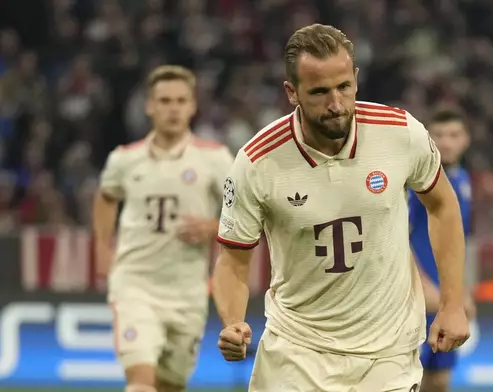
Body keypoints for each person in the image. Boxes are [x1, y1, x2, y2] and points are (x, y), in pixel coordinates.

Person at [213, 24, 470, 392]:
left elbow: (443, 205)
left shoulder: (400, 133)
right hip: (296, 350)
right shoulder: (257, 161)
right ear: (291, 92)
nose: (336, 104)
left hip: (388, 352)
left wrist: (452, 303)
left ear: (356, 79)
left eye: (344, 87)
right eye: (319, 92)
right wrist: (231, 320)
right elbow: (234, 257)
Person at [93, 65, 234, 392]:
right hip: (135, 285)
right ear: (149, 106)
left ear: (193, 106)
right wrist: (102, 246)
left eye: (181, 100)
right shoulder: (125, 159)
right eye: (165, 100)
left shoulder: (216, 159)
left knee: (171, 386)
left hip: (188, 292)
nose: (173, 108)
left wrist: (214, 226)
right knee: (141, 383)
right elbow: (105, 198)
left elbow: (244, 210)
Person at [408, 107, 476, 392]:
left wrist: (462, 292)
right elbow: (397, 238)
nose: (446, 142)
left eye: (454, 135)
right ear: (428, 139)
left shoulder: (462, 181)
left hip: (445, 300)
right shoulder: (416, 184)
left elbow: (460, 242)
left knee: (439, 381)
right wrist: (423, 287)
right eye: (439, 135)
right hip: (418, 301)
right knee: (409, 379)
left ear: (466, 140)